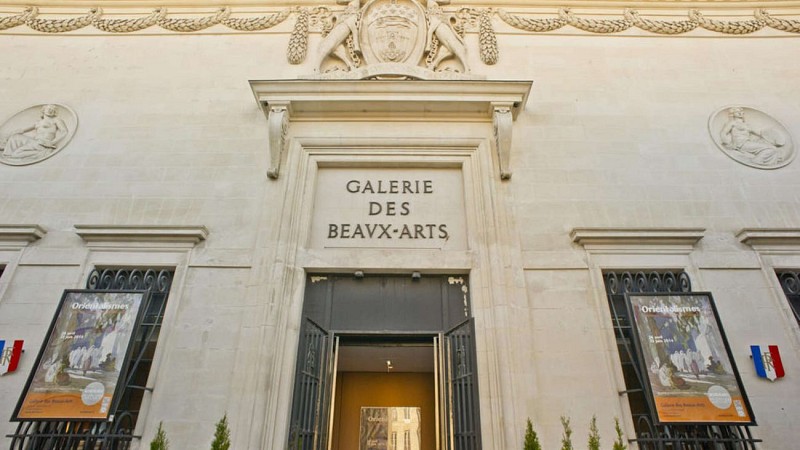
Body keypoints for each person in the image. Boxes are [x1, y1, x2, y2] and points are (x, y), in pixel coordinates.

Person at [1, 104, 68, 158]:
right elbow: (22, 130)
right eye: (48, 108)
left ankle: (42, 152)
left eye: (53, 109)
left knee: (16, 154)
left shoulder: (56, 120)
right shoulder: (38, 122)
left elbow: (64, 132)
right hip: (35, 142)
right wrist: (8, 136)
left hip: (44, 144)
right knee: (15, 137)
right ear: (43, 110)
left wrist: (52, 142)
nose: (50, 110)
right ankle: (6, 148)